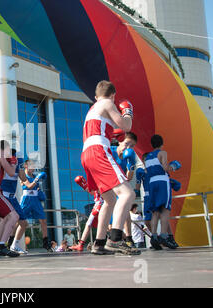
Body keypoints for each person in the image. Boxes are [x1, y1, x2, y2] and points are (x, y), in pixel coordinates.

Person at [81, 80, 139, 255]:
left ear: (95, 96)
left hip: (87, 153)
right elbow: (126, 126)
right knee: (128, 193)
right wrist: (127, 111)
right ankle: (114, 239)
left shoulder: (93, 109)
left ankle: (99, 243)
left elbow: (108, 128)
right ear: (113, 95)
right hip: (99, 150)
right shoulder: (107, 103)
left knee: (110, 200)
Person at [145, 134, 181, 250]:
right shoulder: (162, 153)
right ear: (161, 143)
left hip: (151, 183)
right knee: (165, 210)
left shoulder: (147, 157)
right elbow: (165, 168)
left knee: (155, 211)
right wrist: (174, 166)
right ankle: (164, 235)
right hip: (162, 181)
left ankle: (154, 236)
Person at [0, 149, 35, 254]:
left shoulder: (18, 163)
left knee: (23, 223)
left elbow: (24, 179)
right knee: (2, 222)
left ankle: (13, 245)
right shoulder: (3, 163)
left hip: (13, 198)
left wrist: (36, 179)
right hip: (3, 196)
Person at [19, 160, 50, 251]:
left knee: (43, 221)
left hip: (35, 200)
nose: (33, 168)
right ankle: (10, 241)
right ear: (26, 166)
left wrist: (40, 192)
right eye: (31, 165)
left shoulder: (35, 176)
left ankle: (45, 242)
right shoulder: (23, 175)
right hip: (26, 199)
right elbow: (29, 186)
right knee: (20, 221)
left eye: (34, 166)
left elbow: (37, 188)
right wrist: (37, 180)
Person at [135, 153, 152, 233]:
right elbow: (137, 187)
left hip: (156, 195)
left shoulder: (158, 169)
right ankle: (156, 237)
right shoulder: (141, 172)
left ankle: (165, 237)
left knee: (162, 217)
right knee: (147, 220)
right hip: (148, 196)